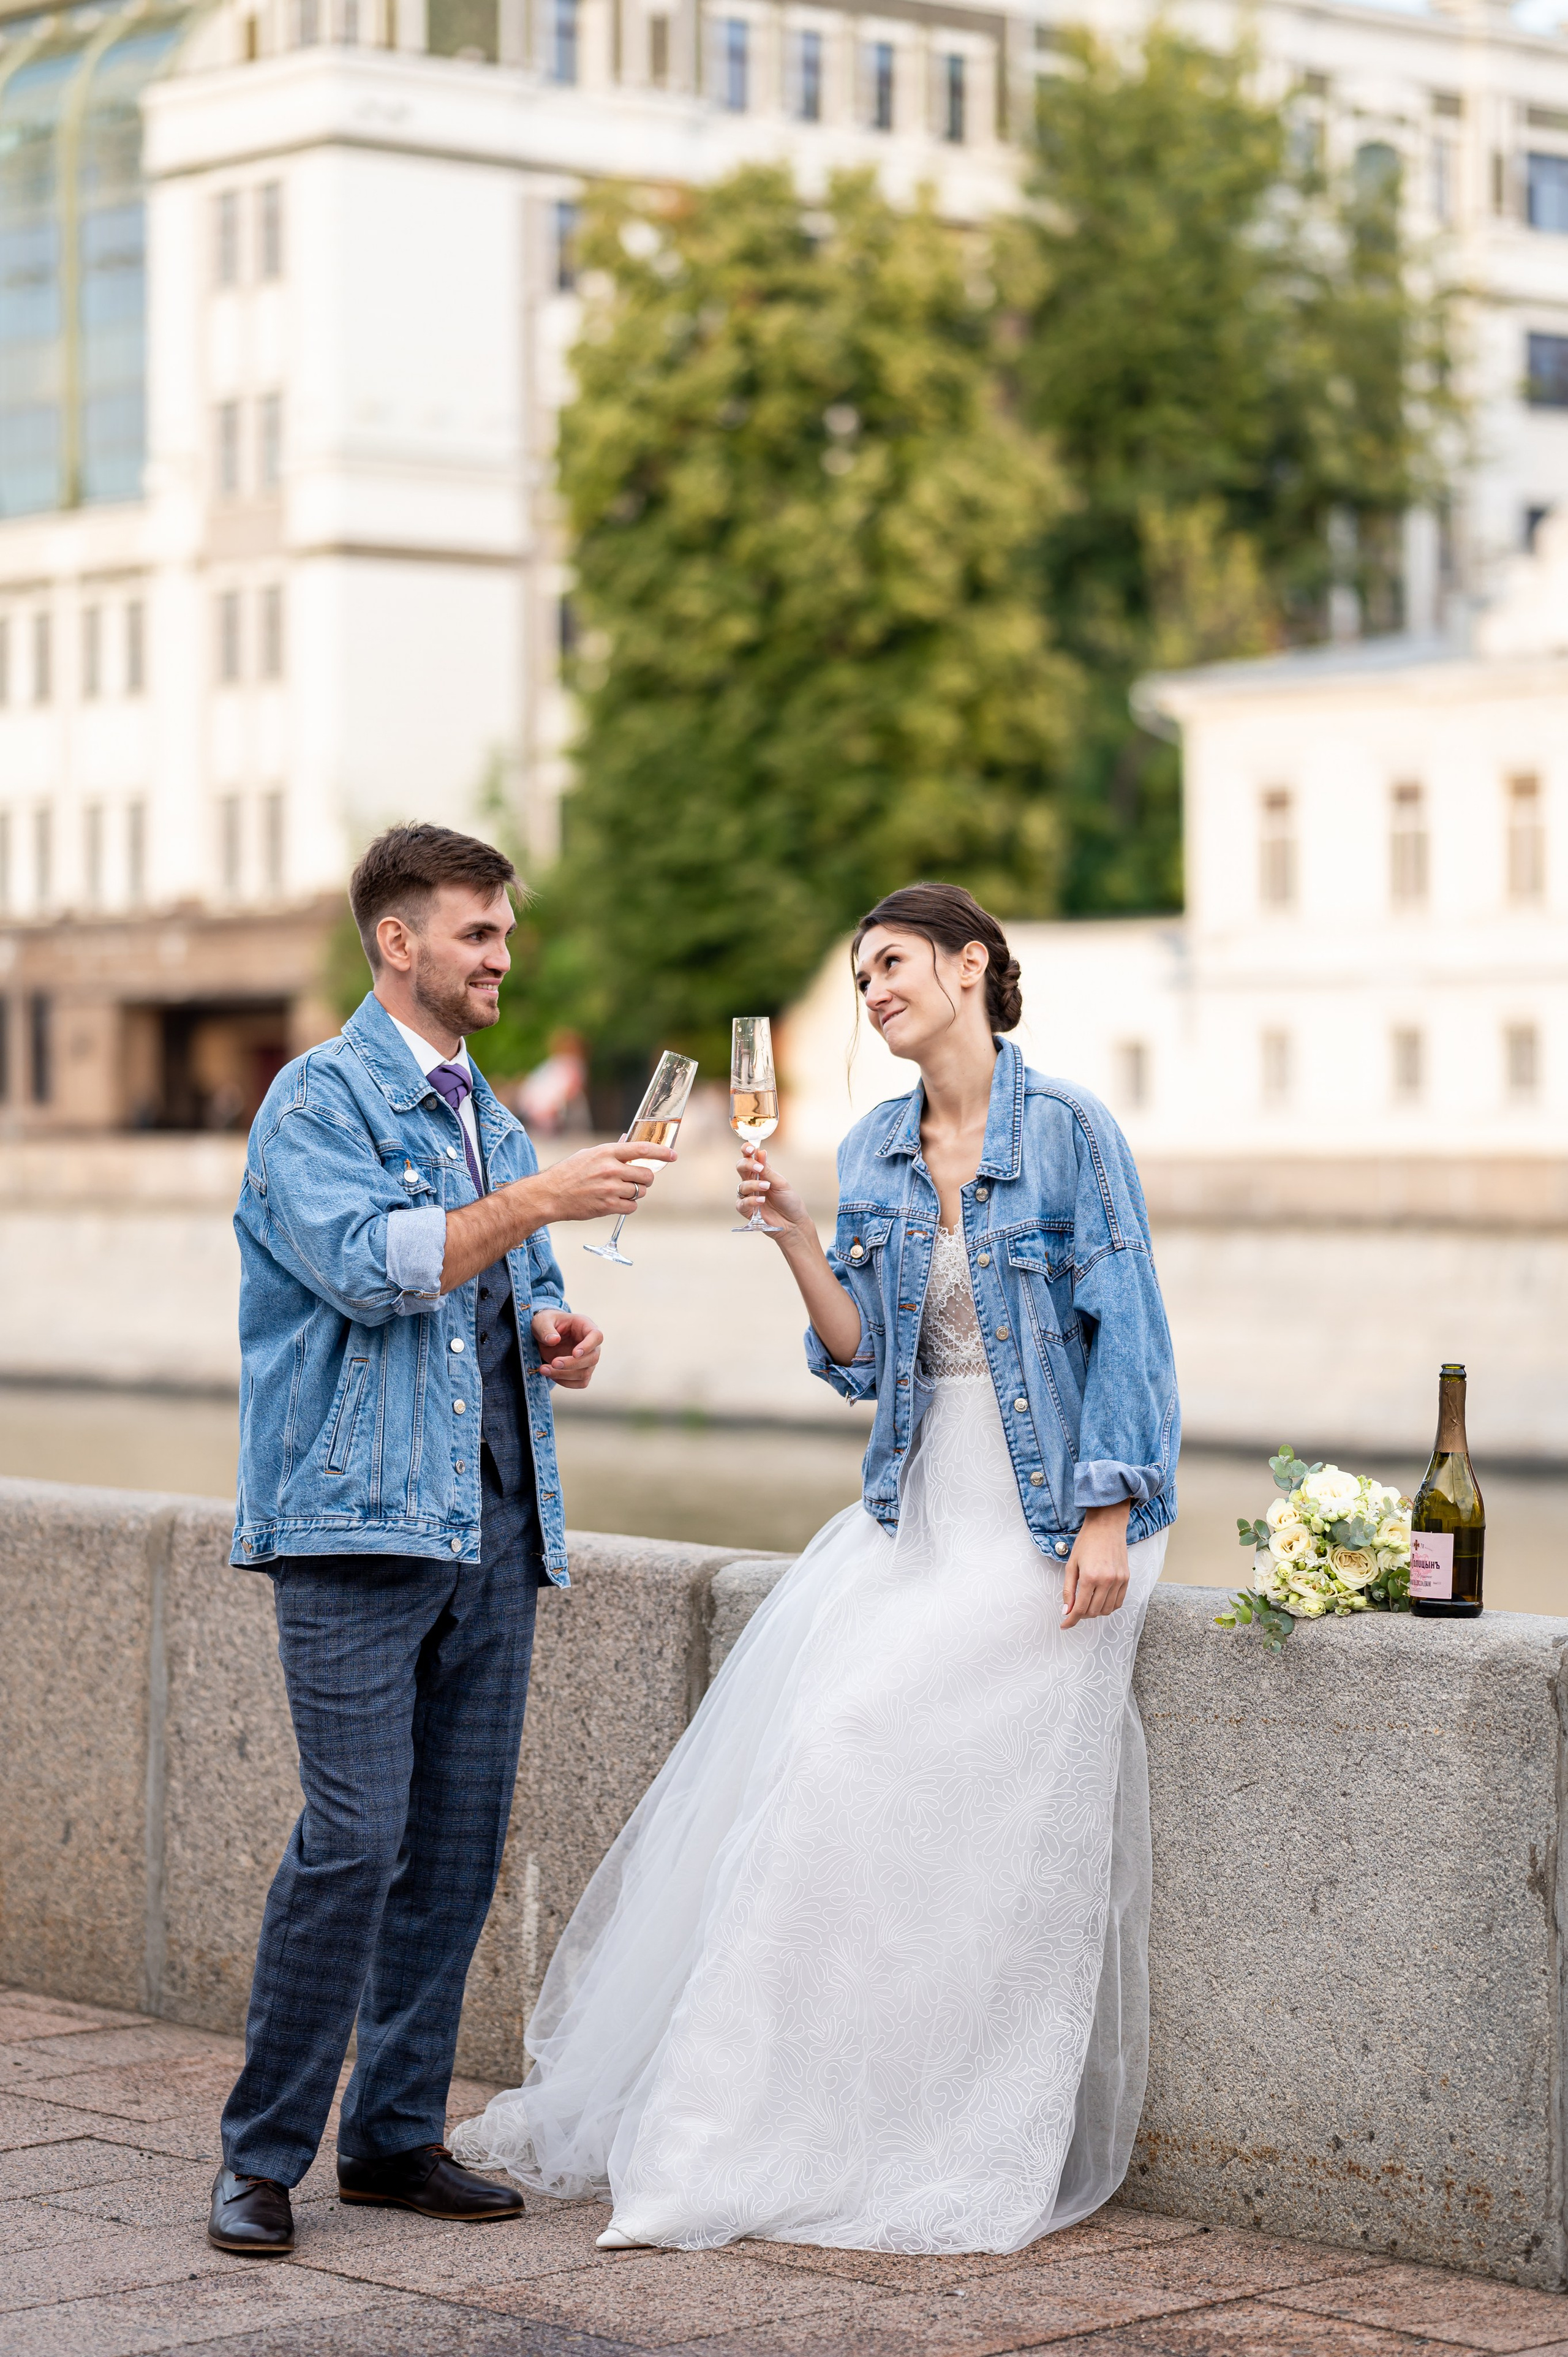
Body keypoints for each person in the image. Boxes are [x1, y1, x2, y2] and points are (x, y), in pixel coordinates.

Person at [451, 881, 1181, 2255]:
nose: (871, 992)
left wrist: (1107, 1511)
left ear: (971, 968)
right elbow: (864, 1358)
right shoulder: (873, 1146)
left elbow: (1128, 1327)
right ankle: (741, 2135)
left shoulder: (1072, 1131)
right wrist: (793, 1232)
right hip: (918, 1510)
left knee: (852, 1739)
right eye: (859, 976)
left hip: (1049, 1517)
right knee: (810, 1769)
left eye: (891, 963)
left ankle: (929, 2124)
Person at [209, 823, 675, 2258]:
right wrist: (540, 1201)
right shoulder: (316, 1103)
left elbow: (502, 1283)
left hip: (491, 1524)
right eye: (478, 932)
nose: (502, 957)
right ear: (397, 941)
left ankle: (393, 2138)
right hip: (352, 1525)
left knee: (455, 1851)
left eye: (505, 931)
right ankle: (259, 2155)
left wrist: (551, 1327)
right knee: (353, 1839)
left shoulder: (491, 1116)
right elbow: (371, 1266)